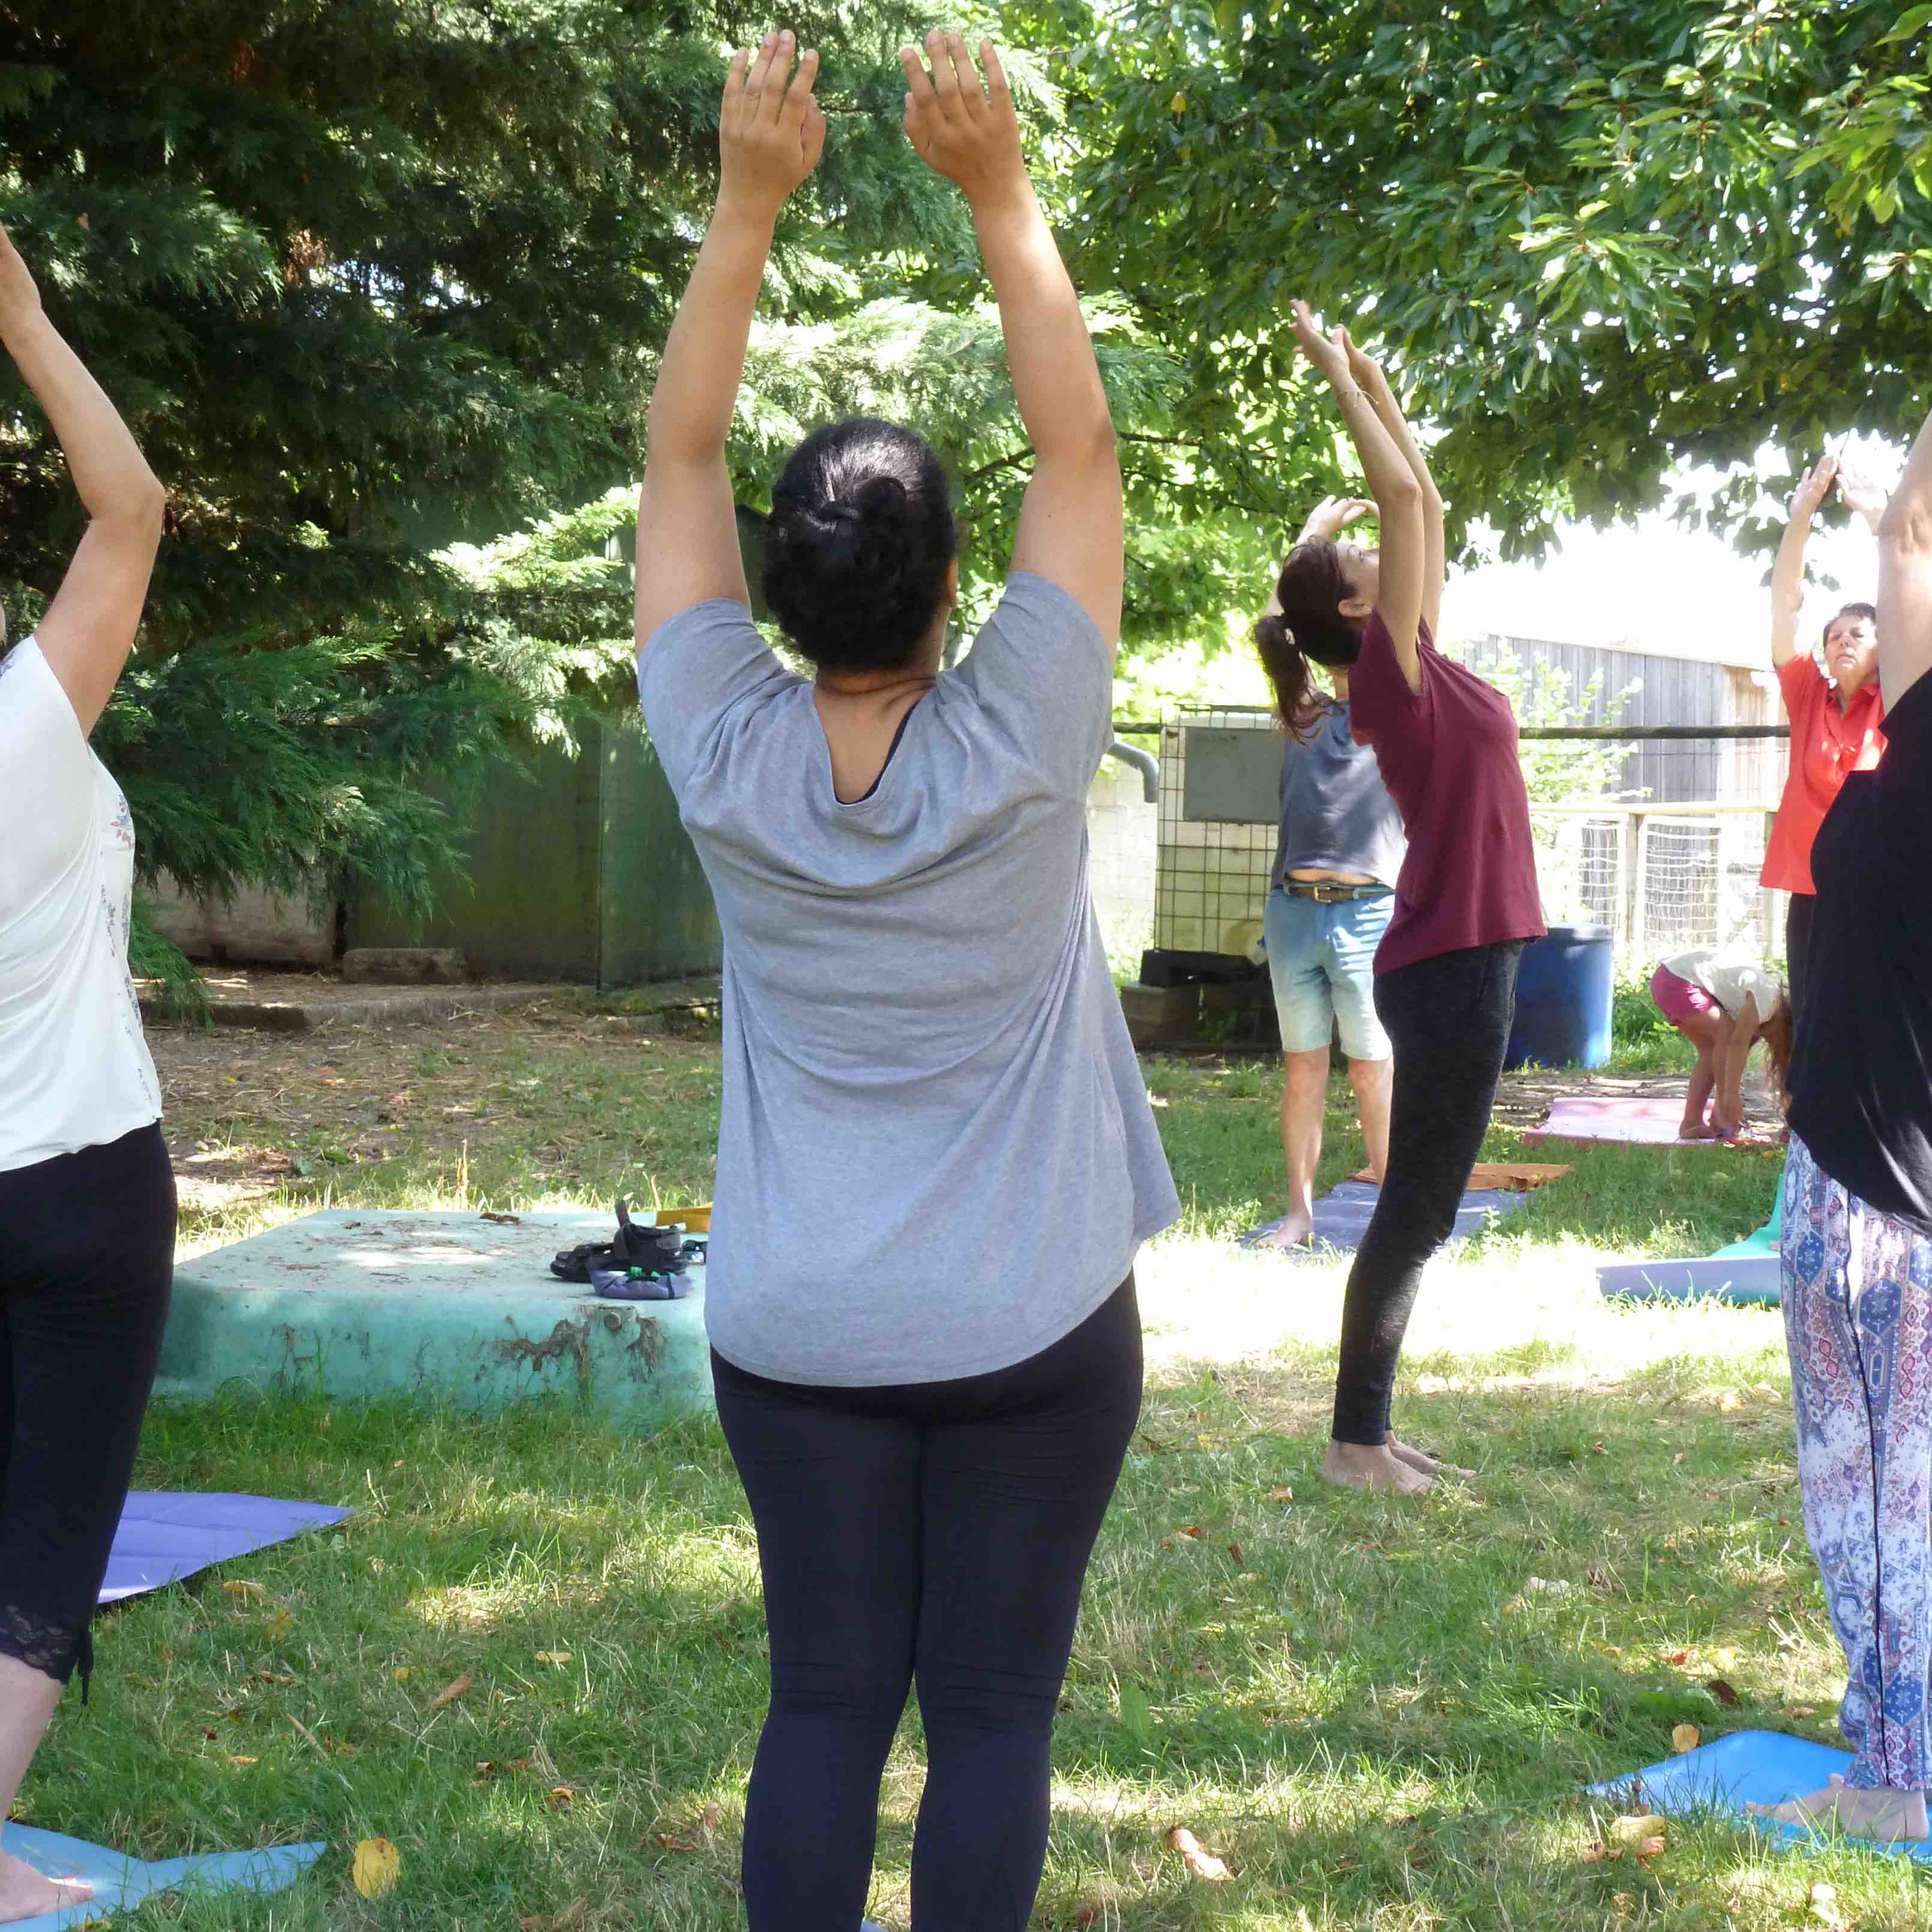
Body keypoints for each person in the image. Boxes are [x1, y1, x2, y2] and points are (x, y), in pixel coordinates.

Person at [630, 32, 1178, 1930]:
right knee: (994, 1716)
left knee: (823, 1703)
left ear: (775, 590)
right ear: (956, 588)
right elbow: (1080, 450)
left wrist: (746, 201)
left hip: (799, 1332)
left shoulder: (719, 742)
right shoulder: (1025, 728)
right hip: (1030, 1327)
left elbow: (677, 448)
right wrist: (996, 187)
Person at [1270, 304, 1544, 1493]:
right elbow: (1397, 504)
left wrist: (1377, 380)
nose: (1387, 554)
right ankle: (1352, 1441)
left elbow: (1417, 504)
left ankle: (1368, 1430)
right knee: (1416, 1208)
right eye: (1361, 566)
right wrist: (1337, 379)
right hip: (1447, 960)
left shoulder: (1424, 656)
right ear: (1345, 612)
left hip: (1475, 950)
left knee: (1423, 1205)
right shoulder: (1378, 674)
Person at [0, 222, 172, 1922]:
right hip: (81, 1180)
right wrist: (32, 327)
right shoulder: (19, 733)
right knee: (45, 1531)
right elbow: (129, 512)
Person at [1747, 399, 1932, 1844]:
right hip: (1848, 1184)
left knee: (1880, 1504)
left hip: (1883, 1214)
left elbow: (1906, 527)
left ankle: (1893, 1773)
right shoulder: (1905, 728)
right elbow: (1901, 529)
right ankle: (1887, 1748)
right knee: (1871, 1500)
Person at [1250, 495, 1404, 1248]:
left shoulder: (1397, 715)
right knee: (1303, 1069)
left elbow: (1405, 620)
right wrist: (1313, 538)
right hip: (1291, 915)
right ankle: (1300, 1215)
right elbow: (1275, 627)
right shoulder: (1300, 711)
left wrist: (1372, 565)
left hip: (1367, 914)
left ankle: (1390, 1210)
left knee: (1372, 1068)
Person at [1760, 451, 1888, 1026]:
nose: (1843, 640)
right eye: (1834, 634)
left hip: (1880, 883)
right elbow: (1785, 607)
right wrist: (1800, 520)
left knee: (1874, 1014)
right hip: (1811, 887)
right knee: (1811, 1012)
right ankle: (1804, 1117)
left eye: (1858, 632)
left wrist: (1879, 517)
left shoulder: (1900, 698)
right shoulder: (1808, 694)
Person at [1647, 946, 1792, 1139]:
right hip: (1678, 980)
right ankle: (1725, 1118)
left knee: (1711, 1053)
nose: (1771, 1045)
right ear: (1786, 1026)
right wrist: (1730, 1097)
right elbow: (1736, 1043)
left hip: (1667, 980)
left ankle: (1691, 1123)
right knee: (1726, 1036)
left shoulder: (1763, 1018)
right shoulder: (1767, 1000)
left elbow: (1729, 1062)